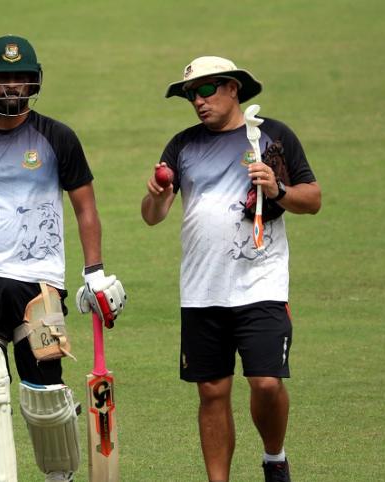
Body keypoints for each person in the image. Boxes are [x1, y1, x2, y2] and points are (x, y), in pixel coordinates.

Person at [0, 35, 126, 482]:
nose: (10, 87)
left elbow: (85, 206)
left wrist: (95, 273)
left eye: (18, 79)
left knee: (44, 396)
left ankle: (58, 474)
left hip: (39, 280)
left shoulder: (58, 138)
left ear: (33, 82)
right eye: (0, 80)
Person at [141, 56, 321, 482]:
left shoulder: (274, 136)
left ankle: (274, 458)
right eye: (190, 94)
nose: (198, 102)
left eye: (206, 90)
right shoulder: (182, 145)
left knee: (266, 383)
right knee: (212, 391)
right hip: (202, 288)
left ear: (233, 89)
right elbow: (152, 216)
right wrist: (157, 194)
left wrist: (277, 190)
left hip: (261, 284)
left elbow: (312, 199)